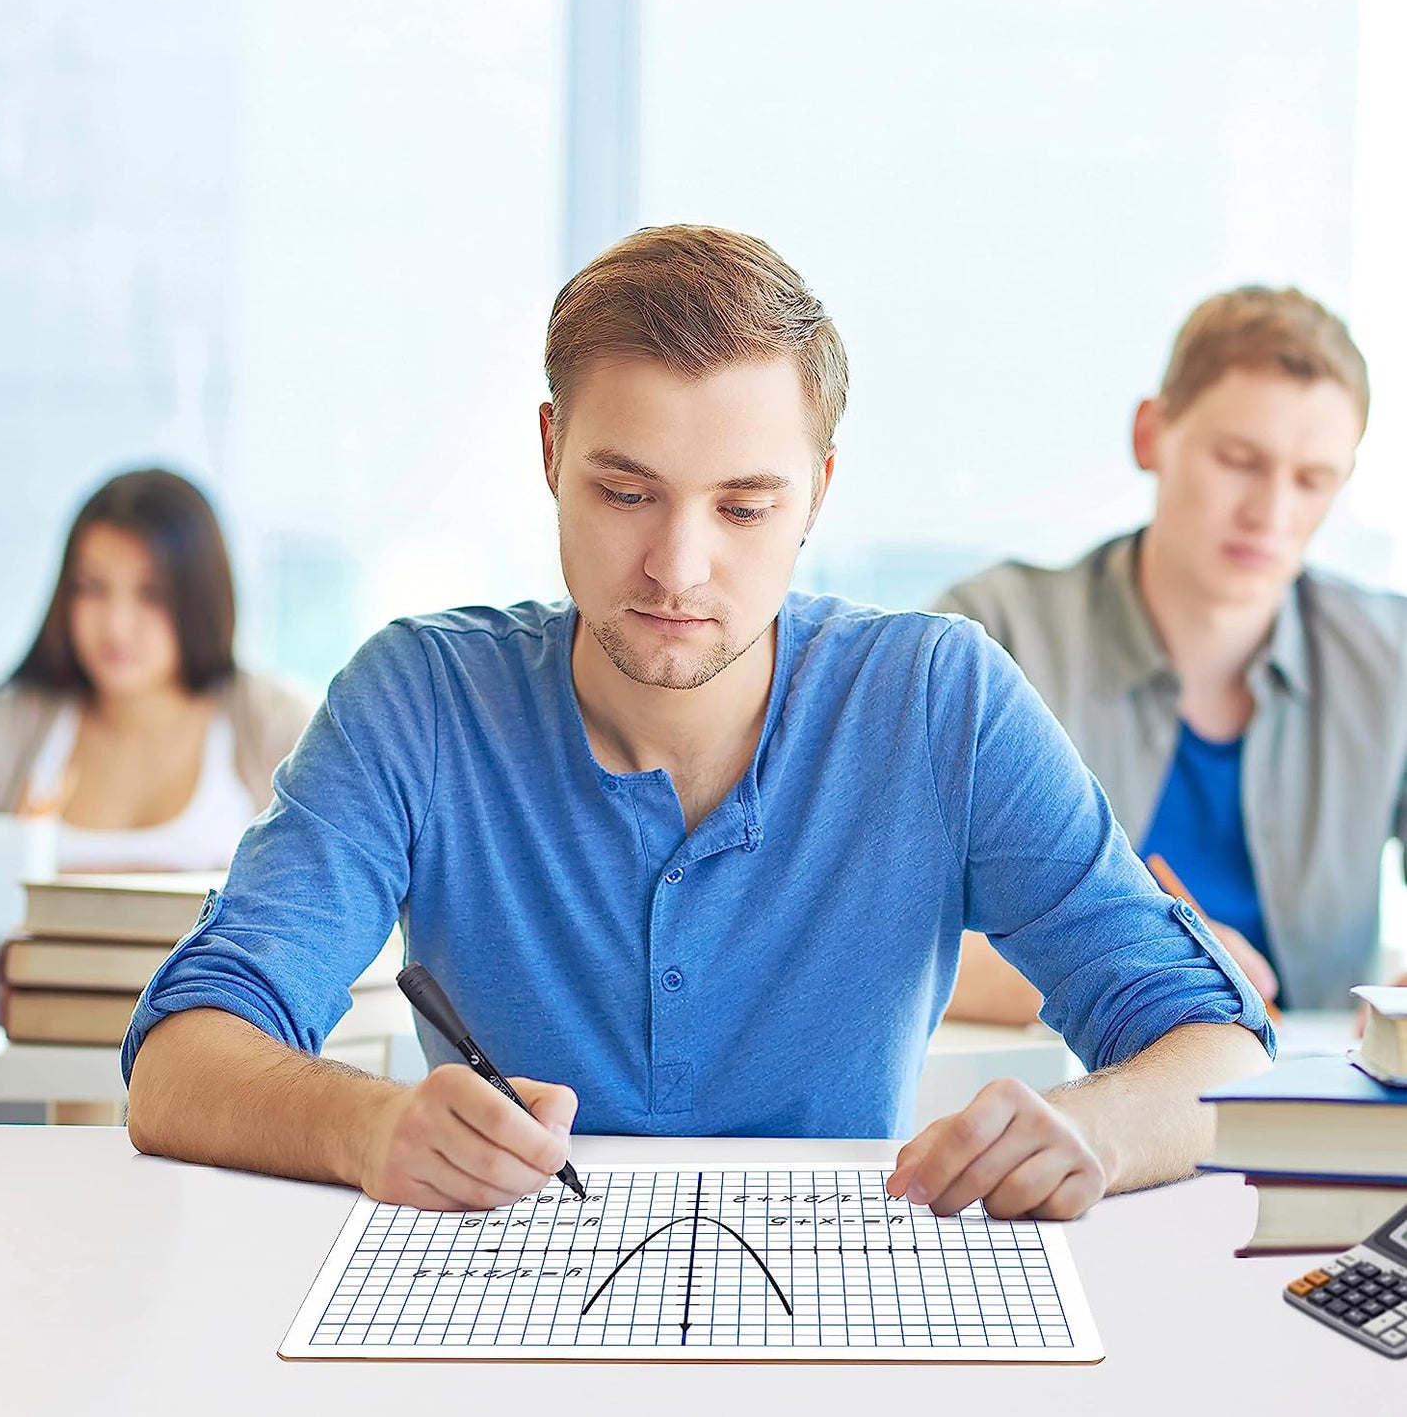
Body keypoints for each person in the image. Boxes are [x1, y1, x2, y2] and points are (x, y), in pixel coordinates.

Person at [124, 226, 1271, 1223]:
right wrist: (366, 1126)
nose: (677, 566)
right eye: (625, 492)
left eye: (742, 505)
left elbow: (1217, 1045)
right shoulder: (419, 699)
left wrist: (1096, 1129)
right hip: (499, 1324)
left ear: (816, 492)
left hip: (840, 1315)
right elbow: (178, 1059)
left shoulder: (936, 700)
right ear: (548, 454)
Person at [938, 286, 1406, 1023]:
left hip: (1308, 1116)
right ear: (1150, 434)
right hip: (1064, 1099)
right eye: (1237, 460)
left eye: (1312, 480)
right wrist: (1152, 966)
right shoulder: (989, 636)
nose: (1271, 513)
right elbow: (866, 929)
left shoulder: (1391, 659)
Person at [0, 468, 314, 871]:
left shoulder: (276, 726)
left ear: (199, 597)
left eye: (151, 594)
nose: (116, 626)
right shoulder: (9, 723)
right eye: (92, 587)